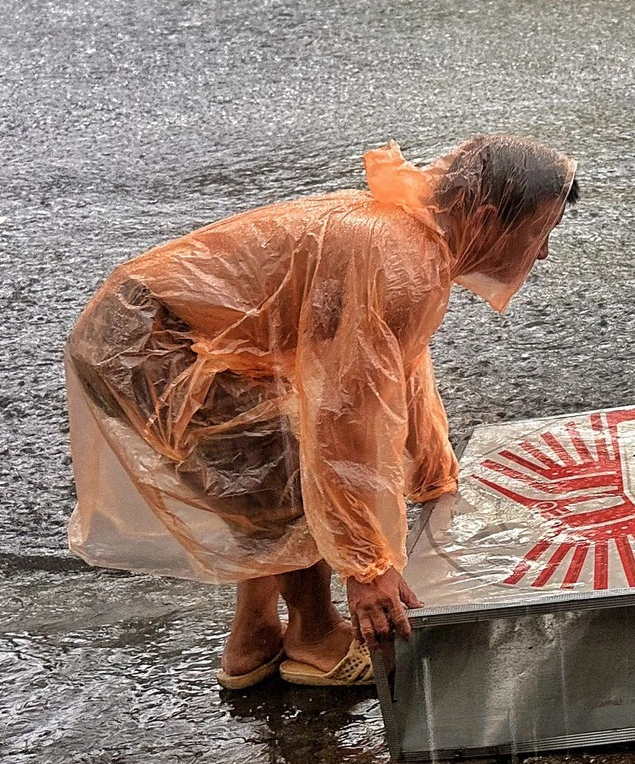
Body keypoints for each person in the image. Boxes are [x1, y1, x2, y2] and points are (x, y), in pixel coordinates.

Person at [65, 137, 578, 689]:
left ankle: (254, 637)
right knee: (284, 474)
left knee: (265, 481)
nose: (541, 253)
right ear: (485, 217)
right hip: (151, 342)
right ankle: (314, 638)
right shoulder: (400, 259)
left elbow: (399, 366)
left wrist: (432, 470)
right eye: (538, 233)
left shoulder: (412, 241)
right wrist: (368, 569)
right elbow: (346, 419)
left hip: (149, 326)